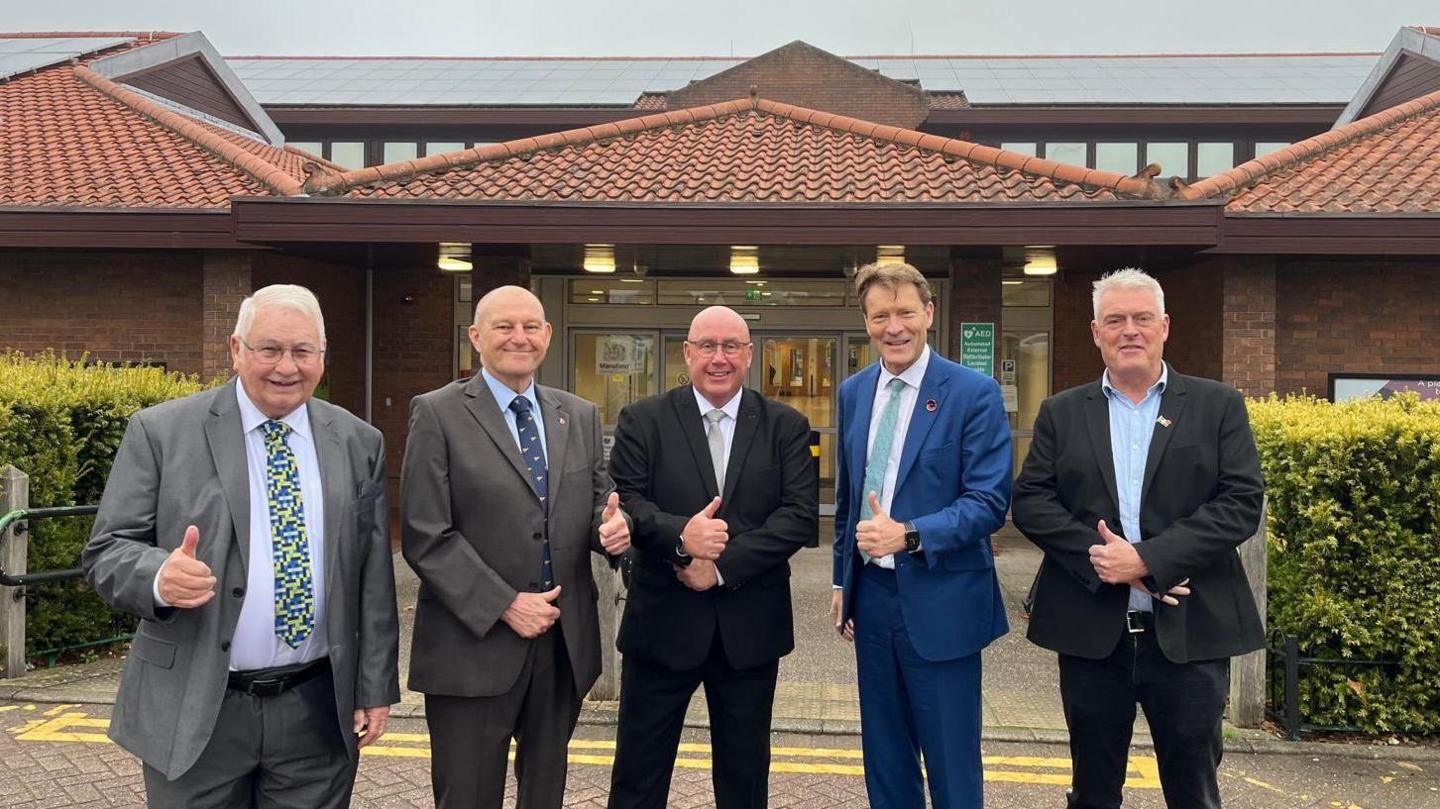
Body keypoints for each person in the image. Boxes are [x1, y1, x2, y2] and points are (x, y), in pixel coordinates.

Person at [83, 284, 399, 809]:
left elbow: (372, 578)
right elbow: (107, 551)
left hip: (316, 709)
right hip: (197, 708)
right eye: (269, 349)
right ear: (236, 350)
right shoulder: (161, 431)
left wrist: (374, 685)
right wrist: (159, 576)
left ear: (323, 357)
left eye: (302, 352)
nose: (286, 367)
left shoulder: (357, 441)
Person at [1012, 267, 1265, 809]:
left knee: (1193, 792)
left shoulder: (1217, 405)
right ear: (1096, 332)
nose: (1130, 330)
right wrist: (1104, 560)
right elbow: (1031, 500)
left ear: (1165, 326)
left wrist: (1148, 561)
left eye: (1142, 318)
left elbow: (1240, 503)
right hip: (1091, 635)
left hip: (1191, 635)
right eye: (1115, 320)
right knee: (1094, 791)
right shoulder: (1061, 412)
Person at [401, 284, 631, 809]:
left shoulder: (577, 413)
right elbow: (425, 532)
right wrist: (504, 603)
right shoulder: (437, 413)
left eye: (530, 326)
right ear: (476, 336)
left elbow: (598, 503)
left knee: (545, 794)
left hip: (561, 645)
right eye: (504, 326)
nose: (519, 337)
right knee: (468, 797)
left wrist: (614, 531)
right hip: (472, 645)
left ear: (548, 335)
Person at [606, 306, 818, 809]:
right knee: (638, 773)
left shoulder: (786, 425)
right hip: (662, 626)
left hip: (749, 630)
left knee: (745, 779)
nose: (718, 358)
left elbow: (799, 516)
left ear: (749, 355)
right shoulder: (644, 420)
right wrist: (684, 538)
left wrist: (720, 566)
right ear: (687, 353)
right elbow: (629, 501)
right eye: (707, 346)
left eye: (730, 347)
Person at [829, 262, 1012, 809]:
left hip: (944, 601)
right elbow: (849, 501)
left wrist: (908, 535)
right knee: (885, 760)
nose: (895, 327)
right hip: (874, 601)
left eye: (906, 312)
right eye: (880, 315)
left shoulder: (972, 393)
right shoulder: (854, 392)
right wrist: (844, 583)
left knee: (952, 762)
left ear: (929, 313)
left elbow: (987, 503)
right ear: (865, 322)